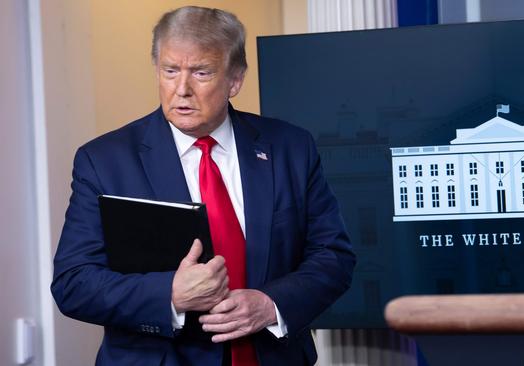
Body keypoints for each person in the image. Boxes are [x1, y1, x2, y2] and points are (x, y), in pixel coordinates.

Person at [51, 6, 355, 366]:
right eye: (170, 71)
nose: (182, 89)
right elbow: (74, 282)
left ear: (235, 80)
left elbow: (333, 257)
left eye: (201, 72)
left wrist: (271, 304)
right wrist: (171, 295)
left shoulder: (291, 148)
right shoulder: (103, 161)